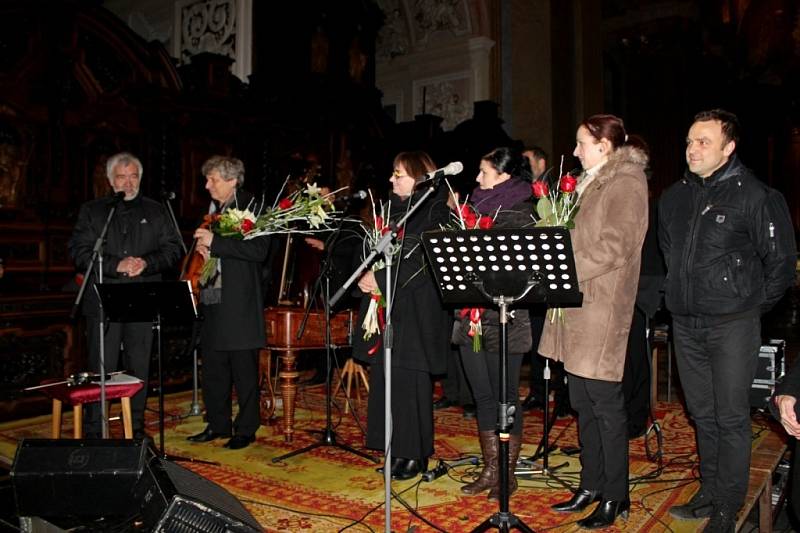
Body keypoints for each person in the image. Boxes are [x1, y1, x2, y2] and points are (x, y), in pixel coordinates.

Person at [659, 109, 796, 530]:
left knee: (731, 416)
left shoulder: (756, 196)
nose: (692, 149)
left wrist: (748, 308)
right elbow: (669, 253)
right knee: (702, 414)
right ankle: (710, 491)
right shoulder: (673, 197)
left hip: (732, 324)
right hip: (686, 323)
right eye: (688, 141)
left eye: (703, 141)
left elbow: (782, 264)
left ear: (729, 147)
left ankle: (727, 506)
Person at [540, 114, 649, 529]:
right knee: (583, 403)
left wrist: (560, 268)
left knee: (605, 406)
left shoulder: (626, 181)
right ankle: (591, 483)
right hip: (574, 307)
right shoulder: (589, 182)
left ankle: (616, 495)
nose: (575, 151)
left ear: (604, 145)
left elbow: (615, 247)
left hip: (600, 307)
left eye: (582, 143)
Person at [68, 152, 183, 439]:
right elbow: (78, 252)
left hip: (143, 296)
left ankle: (137, 429)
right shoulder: (93, 211)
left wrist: (146, 263)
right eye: (122, 177)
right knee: (101, 368)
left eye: (133, 176)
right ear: (110, 180)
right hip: (102, 297)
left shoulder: (156, 211)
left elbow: (174, 250)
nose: (128, 183)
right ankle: (97, 430)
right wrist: (114, 265)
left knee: (138, 365)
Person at [352, 151, 451, 480]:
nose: (391, 180)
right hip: (388, 306)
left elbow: (423, 262)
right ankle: (392, 447)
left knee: (409, 380)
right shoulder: (391, 211)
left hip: (416, 308)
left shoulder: (435, 212)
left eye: (399, 174)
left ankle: (415, 453)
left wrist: (378, 278)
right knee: (386, 377)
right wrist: (368, 273)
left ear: (421, 177)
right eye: (392, 174)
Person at [452, 147, 533, 500]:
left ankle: (507, 472)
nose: (477, 179)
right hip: (470, 319)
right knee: (483, 395)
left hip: (505, 320)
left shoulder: (521, 213)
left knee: (506, 396)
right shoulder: (470, 210)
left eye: (483, 172)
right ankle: (490, 469)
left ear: (503, 176)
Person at [187, 156, 272, 450]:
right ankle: (218, 423)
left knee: (243, 368)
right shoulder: (214, 209)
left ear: (233, 180)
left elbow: (259, 250)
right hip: (212, 294)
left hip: (239, 301)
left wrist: (216, 243)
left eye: (213, 180)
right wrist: (206, 250)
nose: (207, 185)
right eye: (207, 179)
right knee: (214, 366)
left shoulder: (254, 207)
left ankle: (246, 427)